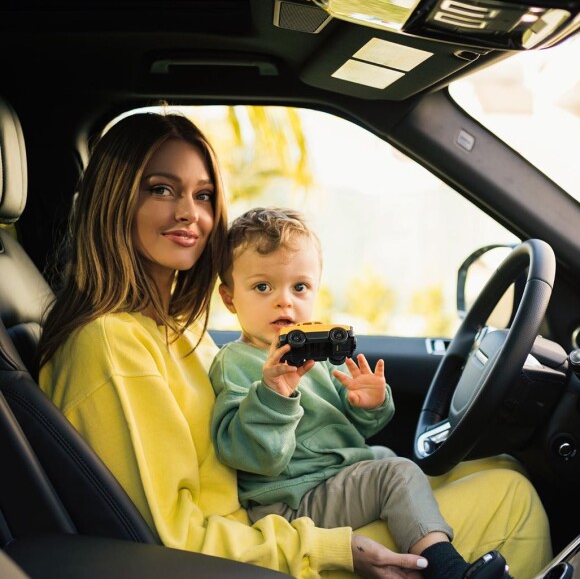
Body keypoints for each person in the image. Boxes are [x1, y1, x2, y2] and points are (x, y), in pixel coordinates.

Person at [36, 112, 552, 579]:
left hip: (280, 532)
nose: (189, 213)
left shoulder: (171, 330)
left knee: (499, 467)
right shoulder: (111, 345)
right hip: (263, 557)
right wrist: (330, 550)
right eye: (161, 189)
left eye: (203, 195)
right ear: (114, 198)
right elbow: (169, 542)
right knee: (513, 499)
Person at [209, 207, 502, 578]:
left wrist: (369, 406)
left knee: (383, 454)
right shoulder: (234, 363)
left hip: (328, 476)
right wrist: (273, 396)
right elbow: (250, 457)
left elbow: (352, 431)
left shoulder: (316, 355)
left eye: (299, 287)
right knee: (394, 473)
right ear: (230, 298)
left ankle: (414, 517)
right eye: (262, 287)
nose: (285, 301)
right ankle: (447, 569)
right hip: (290, 499)